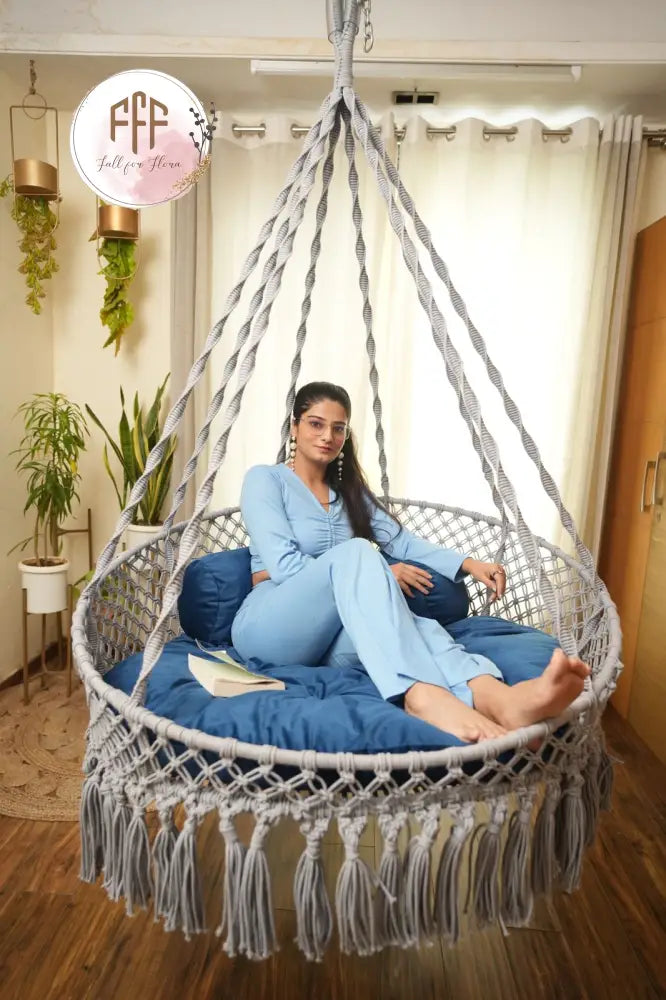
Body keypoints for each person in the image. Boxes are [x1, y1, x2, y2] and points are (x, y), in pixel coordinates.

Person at [231, 381, 589, 743]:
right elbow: (284, 567)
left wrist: (468, 564)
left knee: (415, 624)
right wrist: (377, 573)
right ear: (294, 427)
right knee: (359, 553)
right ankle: (421, 697)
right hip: (270, 627)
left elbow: (400, 541)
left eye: (338, 428)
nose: (327, 436)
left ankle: (499, 698)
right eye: (315, 424)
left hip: (330, 640)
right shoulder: (265, 480)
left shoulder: (349, 494)